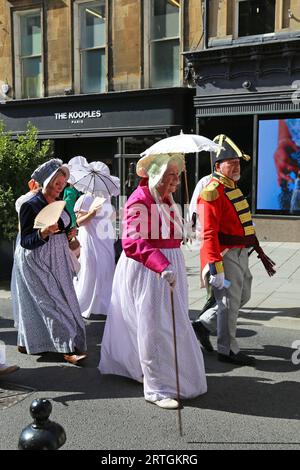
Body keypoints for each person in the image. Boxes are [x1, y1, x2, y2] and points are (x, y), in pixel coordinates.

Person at [99, 153, 207, 409]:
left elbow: (168, 231)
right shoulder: (139, 200)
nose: (176, 181)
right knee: (154, 328)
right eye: (171, 176)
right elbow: (132, 242)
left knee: (169, 324)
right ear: (156, 176)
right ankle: (157, 388)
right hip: (149, 271)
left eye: (177, 176)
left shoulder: (165, 197)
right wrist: (161, 265)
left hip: (168, 267)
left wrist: (184, 232)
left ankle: (162, 374)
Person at [194, 135, 276, 366]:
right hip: (224, 255)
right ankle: (227, 350)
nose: (237, 165)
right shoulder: (212, 191)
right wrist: (214, 267)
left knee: (243, 296)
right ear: (218, 166)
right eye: (231, 161)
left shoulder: (231, 187)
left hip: (240, 252)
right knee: (228, 304)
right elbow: (208, 233)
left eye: (238, 161)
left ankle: (202, 325)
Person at [14, 159, 87, 365]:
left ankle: (32, 342)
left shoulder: (58, 204)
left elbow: (62, 230)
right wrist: (44, 232)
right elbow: (27, 241)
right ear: (47, 181)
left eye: (63, 183)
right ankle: (67, 347)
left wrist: (68, 233)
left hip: (59, 258)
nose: (61, 186)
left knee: (65, 300)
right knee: (50, 303)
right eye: (57, 182)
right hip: (36, 259)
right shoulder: (30, 205)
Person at [74, 193, 115, 318]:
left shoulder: (107, 199)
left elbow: (110, 218)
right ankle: (85, 302)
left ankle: (105, 304)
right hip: (91, 239)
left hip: (106, 239)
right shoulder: (85, 198)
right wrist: (92, 213)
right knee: (92, 269)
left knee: (106, 270)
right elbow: (79, 222)